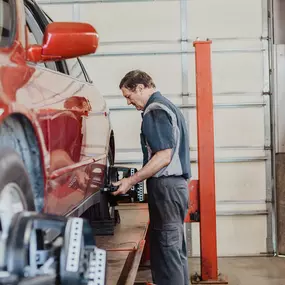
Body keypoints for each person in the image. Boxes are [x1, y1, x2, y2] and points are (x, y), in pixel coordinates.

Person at [112, 70, 191, 285]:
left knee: (167, 252)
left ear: (140, 88)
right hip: (174, 187)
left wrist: (131, 180)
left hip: (166, 187)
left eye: (129, 96)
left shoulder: (154, 110)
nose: (129, 102)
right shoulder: (169, 106)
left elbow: (163, 156)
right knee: (174, 251)